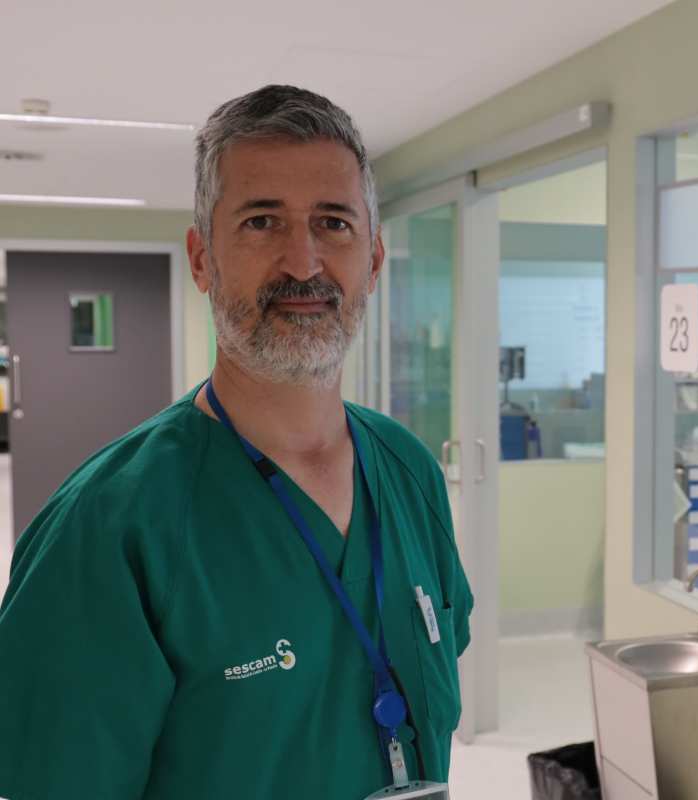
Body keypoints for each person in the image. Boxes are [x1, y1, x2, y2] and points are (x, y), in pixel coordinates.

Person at [0, 85, 472, 800]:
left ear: (373, 259)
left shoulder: (407, 469)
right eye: (261, 222)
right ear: (201, 259)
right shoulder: (109, 526)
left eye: (334, 223)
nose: (304, 262)